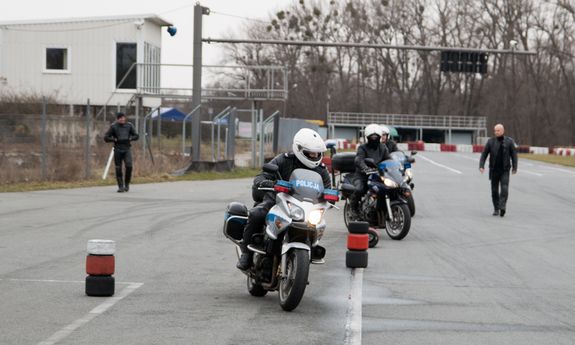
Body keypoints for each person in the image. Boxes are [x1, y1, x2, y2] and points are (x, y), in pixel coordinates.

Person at [237, 128, 331, 270]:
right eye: (311, 153)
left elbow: (328, 189)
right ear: (299, 149)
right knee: (257, 214)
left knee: (318, 223)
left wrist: (334, 195)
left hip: (306, 207)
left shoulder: (322, 170)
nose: (314, 156)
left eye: (317, 153)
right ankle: (246, 254)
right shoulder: (284, 160)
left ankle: (309, 250)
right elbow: (261, 176)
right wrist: (266, 182)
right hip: (278, 201)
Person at [349, 124, 391, 217]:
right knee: (359, 189)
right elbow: (359, 159)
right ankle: (353, 207)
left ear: (379, 137)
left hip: (378, 175)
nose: (374, 139)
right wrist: (365, 168)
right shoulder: (362, 148)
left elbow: (389, 159)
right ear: (367, 137)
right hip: (362, 175)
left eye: (376, 137)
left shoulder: (383, 147)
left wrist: (394, 167)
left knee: (390, 188)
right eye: (372, 137)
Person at [479, 124, 518, 217]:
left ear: (503, 131)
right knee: (494, 191)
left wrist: (514, 167)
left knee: (504, 188)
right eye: (495, 130)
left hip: (505, 170)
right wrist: (481, 166)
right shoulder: (490, 142)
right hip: (494, 170)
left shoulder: (509, 141)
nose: (496, 132)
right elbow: (484, 154)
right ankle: (496, 209)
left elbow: (514, 156)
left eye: (498, 130)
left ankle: (502, 206)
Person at [104, 112, 139, 193]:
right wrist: (114, 139)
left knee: (129, 166)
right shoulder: (113, 126)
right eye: (120, 118)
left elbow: (136, 136)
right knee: (118, 168)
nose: (122, 119)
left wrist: (131, 138)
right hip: (118, 149)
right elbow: (106, 138)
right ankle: (120, 186)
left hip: (127, 149)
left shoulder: (129, 125)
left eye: (123, 117)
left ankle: (126, 184)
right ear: (117, 119)